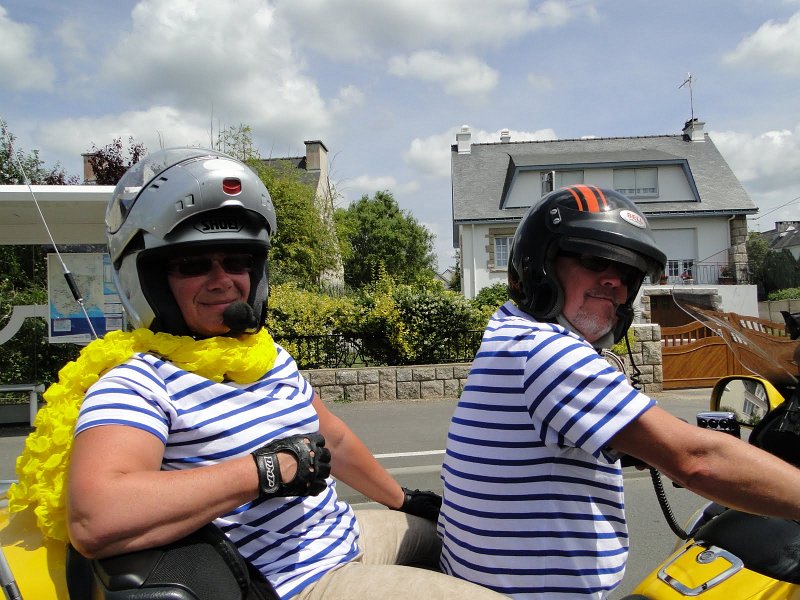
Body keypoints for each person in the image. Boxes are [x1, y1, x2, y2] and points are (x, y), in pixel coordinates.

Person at [64, 148, 505, 599]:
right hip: (296, 581)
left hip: (343, 534)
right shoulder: (137, 384)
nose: (223, 280)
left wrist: (403, 499)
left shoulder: (265, 356)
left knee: (478, 541)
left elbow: (332, 438)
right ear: (150, 279)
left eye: (238, 261)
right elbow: (95, 517)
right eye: (193, 265)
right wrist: (264, 471)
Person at [437, 184, 800, 599]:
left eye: (627, 273)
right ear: (540, 267)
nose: (614, 282)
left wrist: (635, 443)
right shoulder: (551, 352)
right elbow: (698, 462)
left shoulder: (509, 333)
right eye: (594, 260)